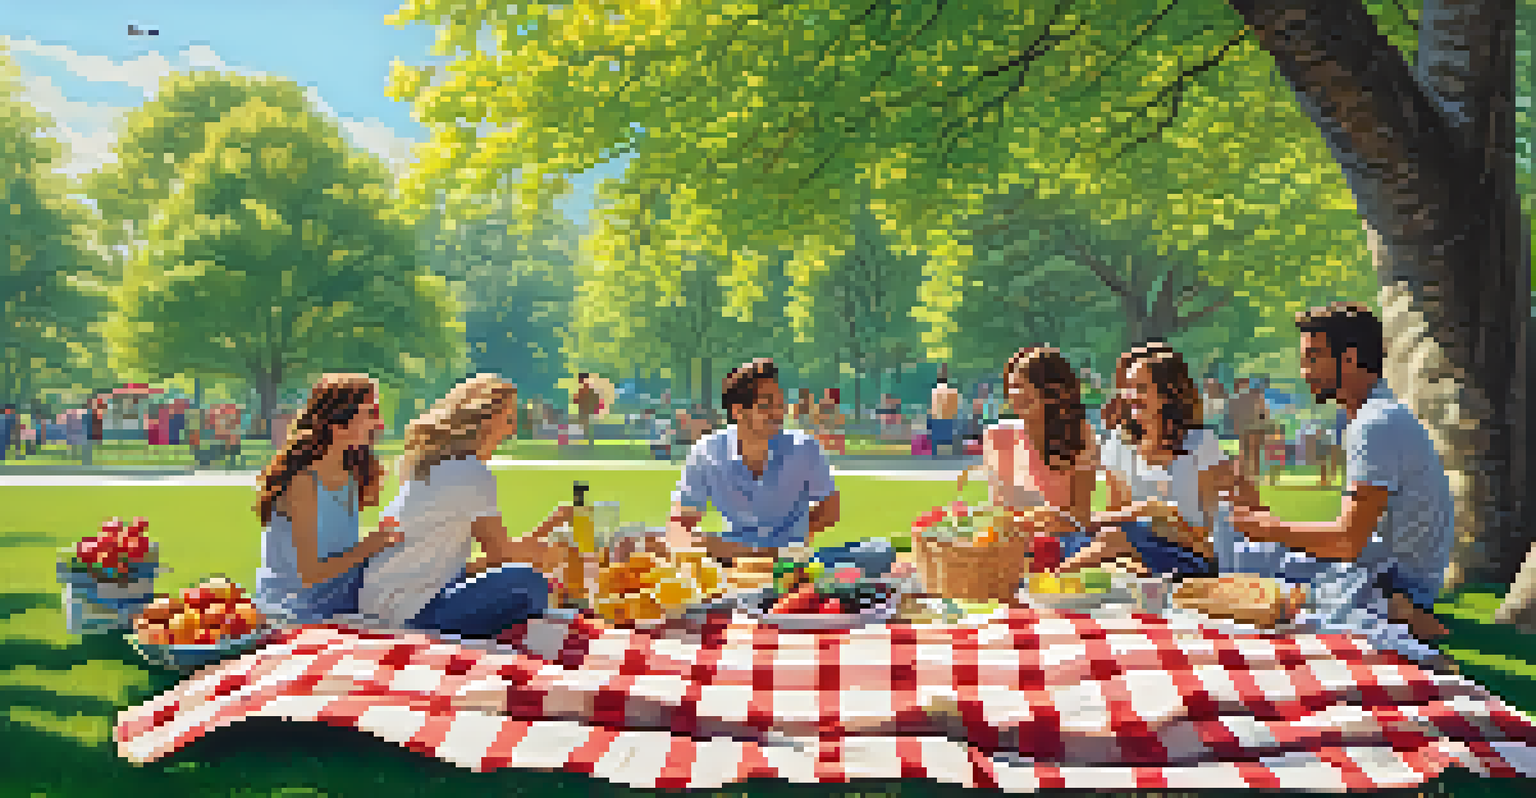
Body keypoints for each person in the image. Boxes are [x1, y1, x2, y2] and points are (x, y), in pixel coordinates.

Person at [1231, 302, 1454, 645]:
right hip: (1372, 567)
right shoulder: (1369, 417)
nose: (1304, 371)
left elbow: (1347, 541)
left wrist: (1267, 528)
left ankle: (1391, 611)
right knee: (1246, 558)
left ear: (1349, 358)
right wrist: (1265, 523)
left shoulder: (1375, 424)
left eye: (1313, 358)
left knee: (1247, 567)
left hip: (1391, 580)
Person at [360, 375, 565, 637]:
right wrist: (547, 554)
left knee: (521, 580)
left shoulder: (436, 466)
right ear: (487, 420)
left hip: (384, 604)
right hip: (411, 612)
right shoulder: (470, 472)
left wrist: (546, 531)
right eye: (510, 420)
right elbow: (503, 556)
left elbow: (476, 563)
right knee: (529, 583)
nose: (513, 430)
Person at [661, 358, 894, 577]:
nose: (778, 412)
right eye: (767, 405)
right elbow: (679, 522)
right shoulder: (707, 452)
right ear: (737, 411)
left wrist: (790, 542)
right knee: (650, 541)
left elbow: (830, 510)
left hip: (787, 559)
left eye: (781, 404)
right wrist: (695, 545)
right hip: (731, 560)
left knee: (879, 553)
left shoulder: (804, 449)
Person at [1060, 343, 1255, 578]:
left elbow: (1205, 534)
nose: (1130, 396)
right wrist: (1144, 511)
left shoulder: (1201, 443)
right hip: (1132, 547)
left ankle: (1054, 579)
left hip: (1190, 554)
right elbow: (1117, 516)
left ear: (1166, 395)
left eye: (1140, 388)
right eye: (1127, 387)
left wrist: (1157, 520)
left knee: (1112, 544)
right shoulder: (1119, 443)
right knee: (1084, 541)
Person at [254, 374, 401, 625]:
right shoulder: (303, 482)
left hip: (338, 594)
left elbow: (335, 545)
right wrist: (368, 547)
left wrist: (380, 539)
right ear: (337, 423)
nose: (379, 423)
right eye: (370, 413)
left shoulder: (350, 474)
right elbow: (309, 574)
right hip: (296, 607)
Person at [957, 347, 1100, 556]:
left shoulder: (1079, 434)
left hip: (1062, 545)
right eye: (1014, 386)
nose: (1017, 394)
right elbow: (999, 511)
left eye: (1029, 386)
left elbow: (1080, 518)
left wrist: (1029, 524)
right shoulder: (998, 436)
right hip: (1012, 545)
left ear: (1053, 391)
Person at [1229, 377, 1270, 482]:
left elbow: (1264, 412)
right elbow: (1234, 415)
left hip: (1253, 428)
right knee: (1248, 452)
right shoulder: (1239, 399)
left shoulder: (1251, 397)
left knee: (1252, 452)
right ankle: (1247, 475)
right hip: (1248, 428)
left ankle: (1251, 475)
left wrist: (1263, 423)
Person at [928, 373, 959, 458]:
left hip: (937, 417)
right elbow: (954, 406)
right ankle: (951, 452)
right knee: (949, 437)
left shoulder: (934, 391)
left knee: (935, 437)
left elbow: (933, 406)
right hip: (948, 417)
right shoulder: (952, 391)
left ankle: (934, 452)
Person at [574, 373, 601, 447]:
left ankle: (589, 441)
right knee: (586, 426)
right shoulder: (585, 390)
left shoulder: (586, 390)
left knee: (587, 426)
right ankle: (588, 441)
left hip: (587, 410)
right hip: (585, 410)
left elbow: (595, 399)